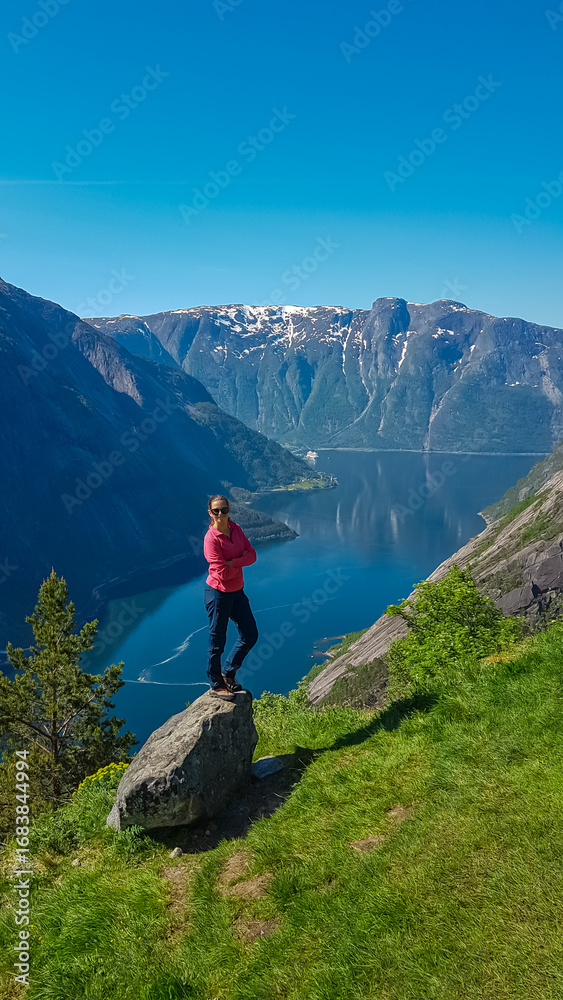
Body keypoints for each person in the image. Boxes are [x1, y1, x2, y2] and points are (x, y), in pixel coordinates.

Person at [203, 494, 259, 699]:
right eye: (216, 510)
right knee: (217, 640)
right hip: (218, 593)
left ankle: (228, 672)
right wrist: (239, 560)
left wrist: (232, 562)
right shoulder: (211, 539)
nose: (220, 514)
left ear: (229, 510)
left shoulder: (236, 530)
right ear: (210, 513)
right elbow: (221, 573)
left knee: (250, 634)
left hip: (237, 591)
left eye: (224, 510)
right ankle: (216, 684)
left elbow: (252, 555)